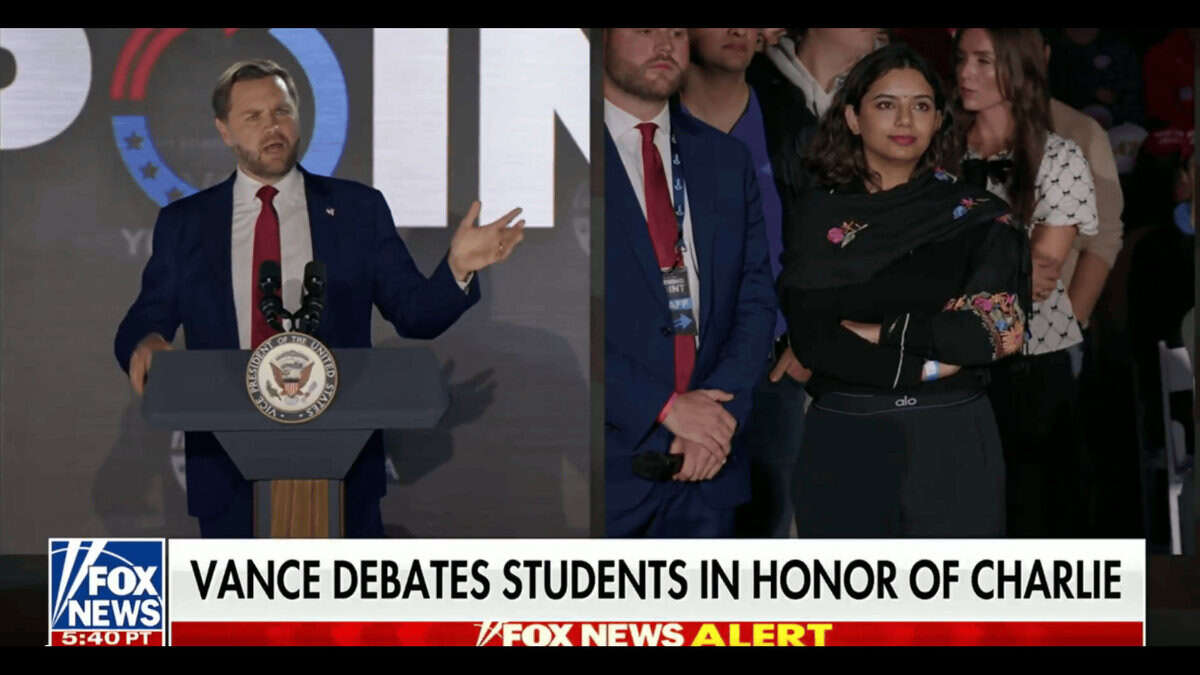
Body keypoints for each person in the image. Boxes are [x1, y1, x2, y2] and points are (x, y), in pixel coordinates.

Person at [114, 59, 526, 538]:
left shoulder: (357, 209)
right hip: (226, 468)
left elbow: (415, 315)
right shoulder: (187, 223)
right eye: (253, 117)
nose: (272, 126)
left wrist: (457, 268)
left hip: (342, 466)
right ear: (223, 131)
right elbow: (148, 314)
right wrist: (145, 341)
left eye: (281, 111)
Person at [780, 44, 1030, 537]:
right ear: (852, 117)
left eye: (920, 106)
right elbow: (816, 343)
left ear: (939, 120)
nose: (905, 119)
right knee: (852, 614)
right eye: (885, 104)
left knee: (955, 613)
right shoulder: (817, 220)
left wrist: (881, 331)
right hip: (845, 440)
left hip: (952, 440)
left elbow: (991, 335)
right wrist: (930, 360)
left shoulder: (978, 217)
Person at [603, 28, 776, 537]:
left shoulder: (725, 160)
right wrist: (664, 408)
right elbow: (552, 307)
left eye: (677, 30)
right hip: (601, 468)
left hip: (709, 469)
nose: (665, 44)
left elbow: (756, 301)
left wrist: (712, 421)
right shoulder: (558, 160)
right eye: (644, 29)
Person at [956, 28, 1100, 537]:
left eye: (982, 61)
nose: (965, 73)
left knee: (1031, 519)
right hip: (947, 360)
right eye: (962, 59)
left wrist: (949, 271)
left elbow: (1038, 276)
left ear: (1016, 66)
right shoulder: (937, 153)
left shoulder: (1059, 157)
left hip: (1031, 362)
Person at [677, 28, 801, 538]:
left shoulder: (790, 119)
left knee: (765, 531)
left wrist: (807, 337)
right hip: (674, 371)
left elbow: (827, 240)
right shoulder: (646, 119)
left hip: (772, 370)